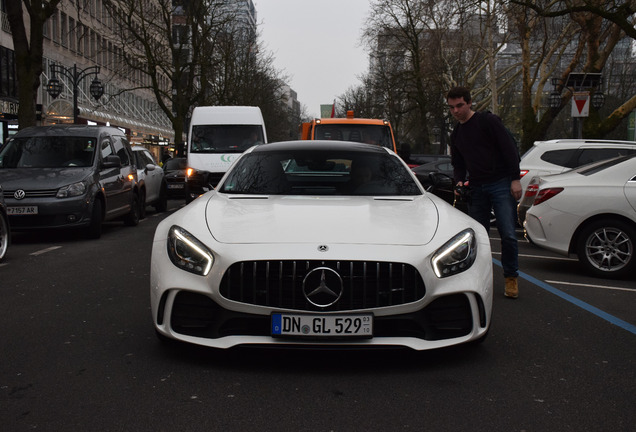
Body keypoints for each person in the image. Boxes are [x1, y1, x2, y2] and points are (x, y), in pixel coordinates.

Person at [447, 86, 522, 299]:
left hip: (500, 182)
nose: (456, 111)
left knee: (508, 234)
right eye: (452, 107)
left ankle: (511, 278)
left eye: (460, 105)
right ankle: (478, 279)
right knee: (478, 238)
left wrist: (515, 179)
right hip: (476, 187)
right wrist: (460, 181)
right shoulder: (457, 133)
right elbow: (458, 164)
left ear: (470, 103)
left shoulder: (488, 121)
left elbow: (510, 150)